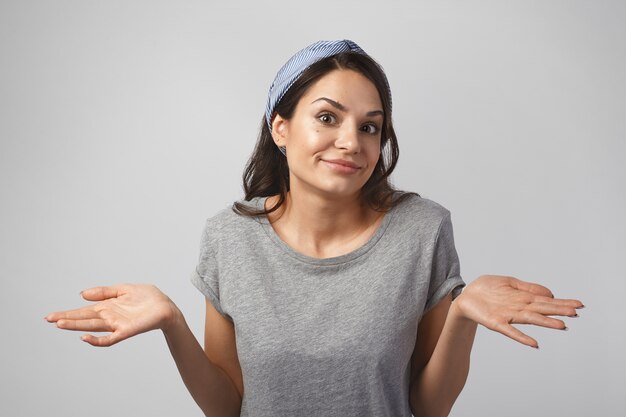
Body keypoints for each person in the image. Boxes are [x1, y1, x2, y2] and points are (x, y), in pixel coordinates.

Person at [45, 39, 584, 417]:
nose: (352, 141)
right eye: (327, 118)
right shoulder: (227, 238)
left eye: (370, 126)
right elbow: (229, 407)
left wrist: (463, 313)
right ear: (280, 127)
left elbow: (428, 407)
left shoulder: (423, 230)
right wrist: (171, 323)